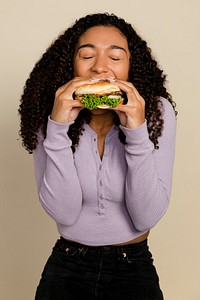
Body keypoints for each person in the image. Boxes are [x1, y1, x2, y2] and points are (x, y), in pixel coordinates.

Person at [18, 12, 177, 300]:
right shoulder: (49, 114)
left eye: (115, 58)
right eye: (87, 56)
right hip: (67, 265)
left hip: (133, 266)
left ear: (132, 68)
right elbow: (63, 212)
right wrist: (57, 129)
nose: (100, 68)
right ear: (71, 65)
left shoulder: (156, 111)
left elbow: (146, 217)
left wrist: (137, 131)